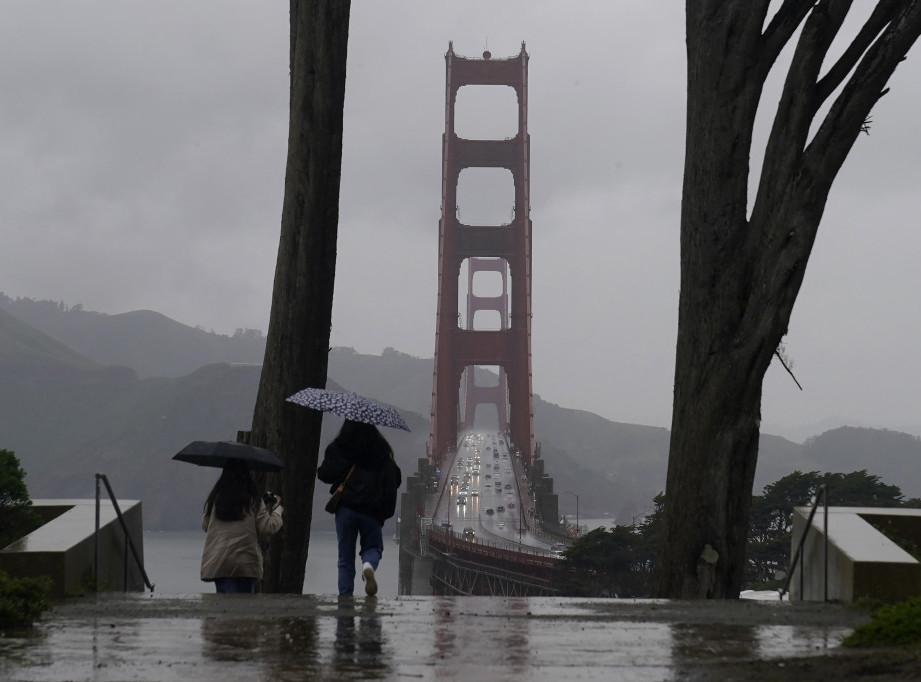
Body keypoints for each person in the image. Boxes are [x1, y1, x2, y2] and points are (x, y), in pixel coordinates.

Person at [318, 420, 402, 596]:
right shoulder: (381, 451)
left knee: (345, 559)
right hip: (372, 511)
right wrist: (384, 511)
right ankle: (368, 565)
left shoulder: (342, 446)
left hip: (346, 509)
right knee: (373, 548)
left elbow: (325, 474)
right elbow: (395, 479)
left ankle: (345, 598)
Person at [200, 460, 283, 593]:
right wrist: (277, 510)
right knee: (245, 606)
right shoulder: (253, 499)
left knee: (224, 607)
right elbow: (268, 527)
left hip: (220, 562)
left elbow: (205, 526)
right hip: (246, 563)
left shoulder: (215, 499)